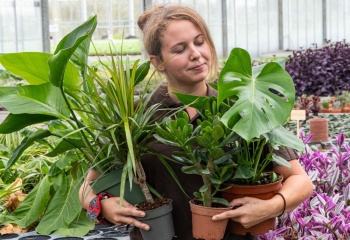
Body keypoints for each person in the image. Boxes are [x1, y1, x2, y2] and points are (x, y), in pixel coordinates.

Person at [79, 4, 314, 240]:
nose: (195, 54)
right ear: (157, 62)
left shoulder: (241, 106)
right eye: (180, 49)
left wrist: (272, 207)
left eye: (199, 42)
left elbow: (301, 181)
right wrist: (102, 207)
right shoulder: (135, 116)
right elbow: (87, 188)